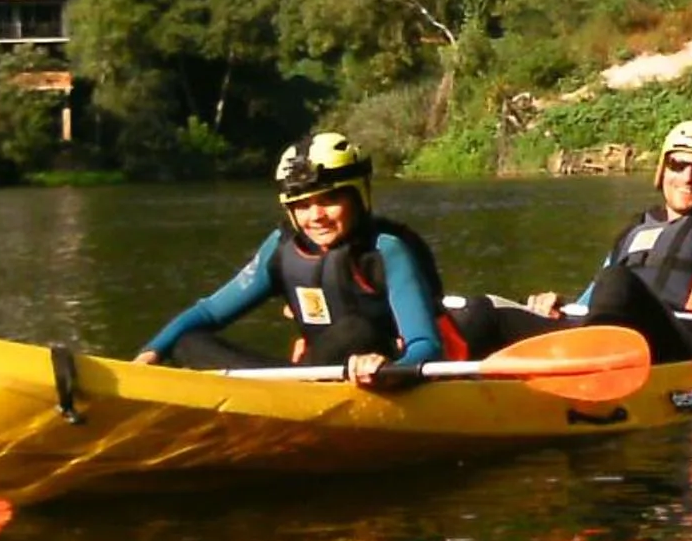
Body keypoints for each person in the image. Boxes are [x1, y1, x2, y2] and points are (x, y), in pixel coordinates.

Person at [136, 132, 455, 389]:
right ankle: (280, 396)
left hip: (374, 376)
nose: (316, 216)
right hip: (303, 377)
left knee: (355, 330)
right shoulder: (281, 248)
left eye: (330, 200)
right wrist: (151, 352)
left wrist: (389, 369)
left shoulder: (385, 250)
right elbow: (209, 311)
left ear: (358, 196)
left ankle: (286, 393)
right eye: (302, 205)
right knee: (185, 343)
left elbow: (426, 345)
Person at [529, 120, 692, 364]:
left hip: (687, 342)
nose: (687, 178)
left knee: (615, 279)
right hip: (615, 337)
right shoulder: (631, 232)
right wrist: (557, 306)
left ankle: (590, 370)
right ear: (662, 170)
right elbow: (588, 305)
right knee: (487, 310)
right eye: (677, 166)